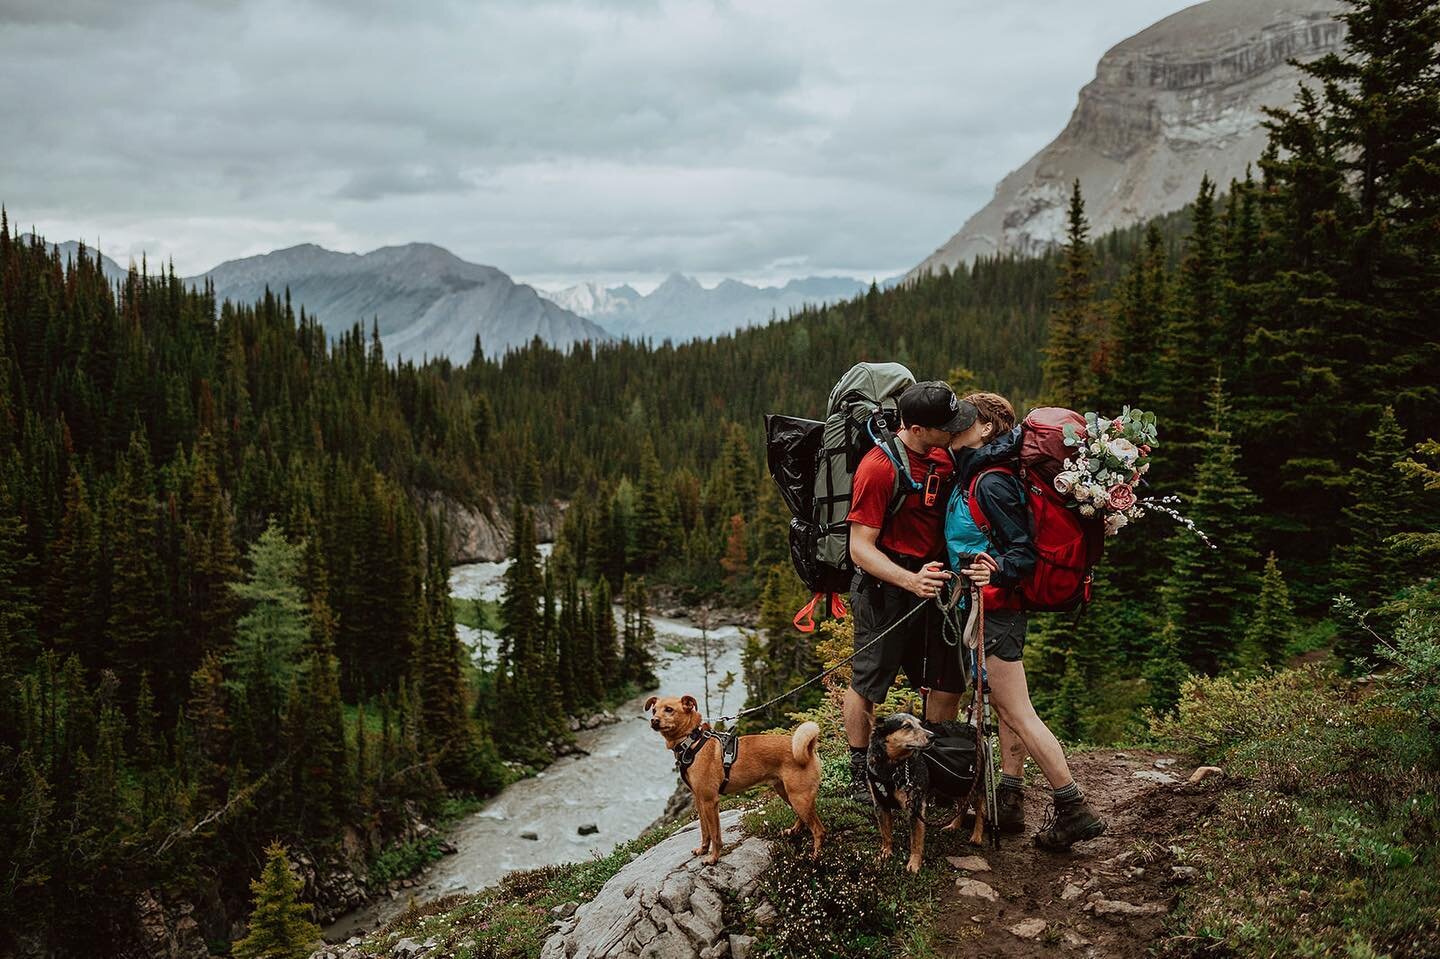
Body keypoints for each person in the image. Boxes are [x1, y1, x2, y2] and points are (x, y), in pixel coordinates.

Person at [946, 391, 1105, 850]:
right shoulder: (975, 472)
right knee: (1006, 706)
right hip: (994, 609)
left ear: (988, 430)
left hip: (995, 610)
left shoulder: (991, 482)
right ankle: (1011, 797)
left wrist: (992, 568)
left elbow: (1023, 553)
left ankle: (1072, 805)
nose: (956, 427)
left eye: (966, 421)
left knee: (1018, 710)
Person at [843, 381, 974, 802]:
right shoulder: (878, 468)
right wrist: (909, 581)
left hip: (934, 582)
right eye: (945, 427)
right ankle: (861, 769)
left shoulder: (944, 451)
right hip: (887, 586)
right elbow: (859, 547)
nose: (955, 431)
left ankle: (930, 765)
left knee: (946, 679)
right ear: (916, 428)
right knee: (868, 682)